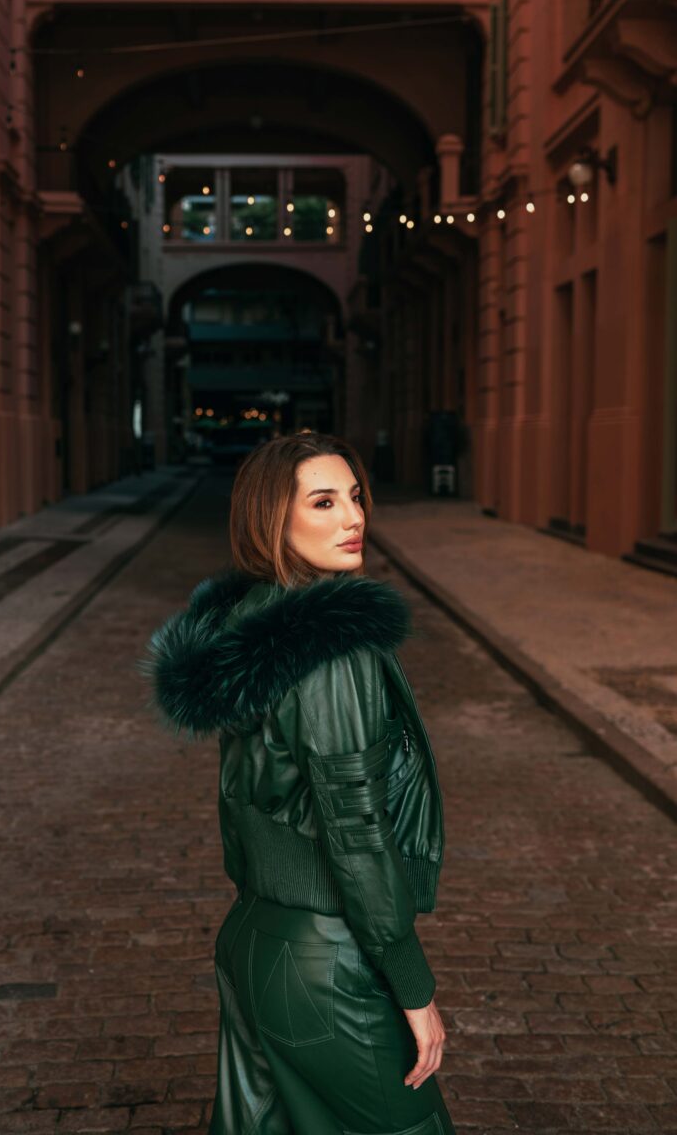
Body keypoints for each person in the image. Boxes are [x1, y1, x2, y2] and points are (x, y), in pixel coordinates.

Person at [142, 431, 456, 1135]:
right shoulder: (330, 646)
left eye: (355, 497)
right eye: (323, 502)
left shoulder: (252, 627)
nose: (354, 517)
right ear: (271, 520)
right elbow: (356, 827)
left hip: (253, 941)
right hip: (325, 963)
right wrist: (412, 984)